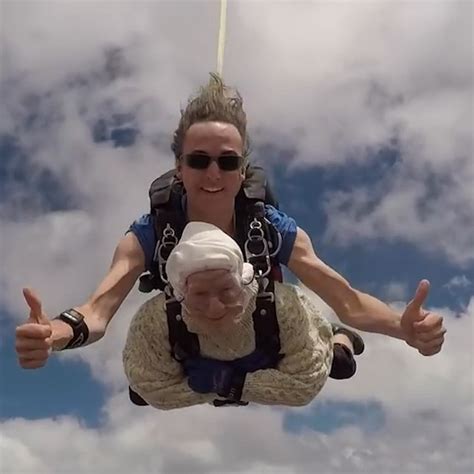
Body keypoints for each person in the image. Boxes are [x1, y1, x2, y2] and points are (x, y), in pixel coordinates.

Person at [16, 73, 445, 373]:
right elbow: (98, 310)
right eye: (199, 161)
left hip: (257, 319)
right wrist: (53, 334)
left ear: (243, 170)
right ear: (179, 168)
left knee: (302, 321)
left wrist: (401, 328)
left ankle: (337, 340)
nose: (213, 174)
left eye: (228, 161)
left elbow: (346, 298)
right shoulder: (149, 233)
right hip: (197, 324)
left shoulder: (271, 229)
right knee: (153, 354)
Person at [123, 221, 363, 409]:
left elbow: (305, 384)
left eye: (226, 290)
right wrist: (211, 388)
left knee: (339, 364)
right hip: (193, 363)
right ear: (180, 293)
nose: (215, 308)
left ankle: (340, 336)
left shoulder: (286, 305)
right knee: (138, 394)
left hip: (271, 352)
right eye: (200, 294)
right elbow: (153, 389)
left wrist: (232, 384)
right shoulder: (155, 320)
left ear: (244, 281)